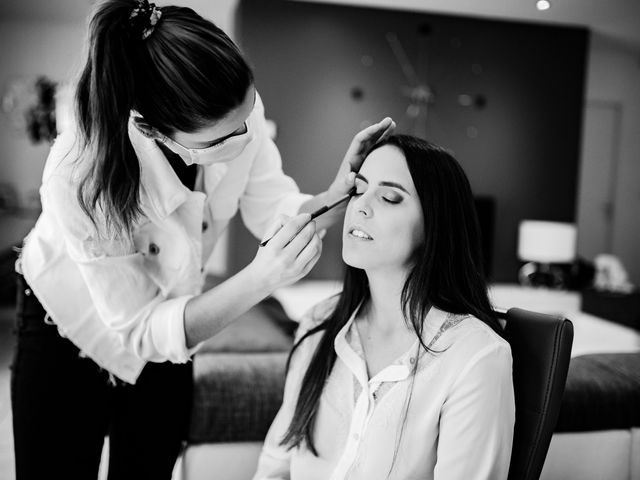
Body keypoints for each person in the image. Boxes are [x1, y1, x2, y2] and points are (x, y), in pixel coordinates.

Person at [10, 0, 394, 478]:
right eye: (219, 141)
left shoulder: (237, 117)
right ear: (151, 129)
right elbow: (138, 330)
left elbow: (275, 209)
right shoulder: (78, 173)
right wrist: (259, 279)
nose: (243, 138)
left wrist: (338, 194)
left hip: (174, 315)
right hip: (66, 325)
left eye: (247, 118)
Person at [253, 135, 515, 480]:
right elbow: (275, 467)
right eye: (358, 190)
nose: (360, 207)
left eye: (390, 197)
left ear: (435, 224)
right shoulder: (320, 324)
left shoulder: (475, 357)